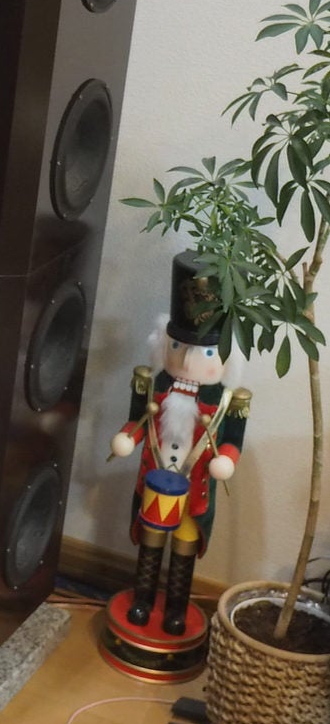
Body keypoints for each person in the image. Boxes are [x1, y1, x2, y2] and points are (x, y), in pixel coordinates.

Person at [110, 251, 251, 635]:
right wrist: (127, 437)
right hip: (155, 482)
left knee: (185, 546)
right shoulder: (153, 384)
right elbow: (137, 420)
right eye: (178, 347)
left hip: (195, 492)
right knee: (151, 542)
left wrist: (226, 459)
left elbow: (233, 440)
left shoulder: (227, 400)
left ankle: (176, 606)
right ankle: (142, 600)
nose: (188, 361)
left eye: (205, 352)